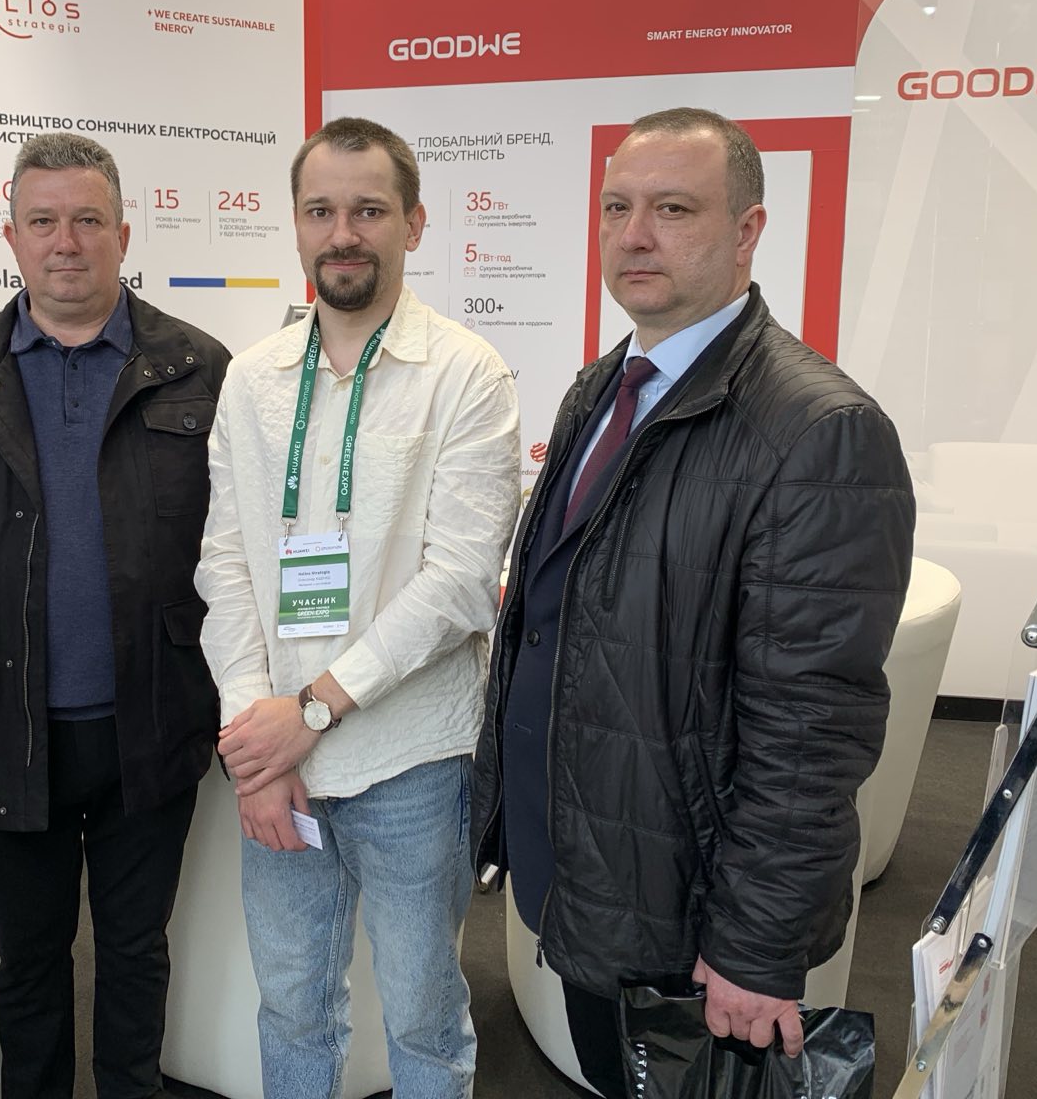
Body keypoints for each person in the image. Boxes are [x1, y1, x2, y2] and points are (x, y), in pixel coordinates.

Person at [470, 107, 915, 1096]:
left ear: (748, 231)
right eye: (616, 208)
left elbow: (813, 728)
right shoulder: (601, 388)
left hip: (689, 913)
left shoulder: (820, 432)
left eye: (673, 209)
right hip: (594, 874)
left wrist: (758, 943)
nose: (635, 235)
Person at [0, 132, 229, 1099]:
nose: (66, 242)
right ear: (12, 237)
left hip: (153, 723)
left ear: (123, 233)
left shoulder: (198, 369)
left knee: (137, 952)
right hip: (0, 729)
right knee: (27, 964)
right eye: (43, 222)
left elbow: (245, 559)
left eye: (86, 220)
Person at [194, 116, 521, 1097]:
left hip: (409, 759)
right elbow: (224, 567)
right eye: (321, 211)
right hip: (278, 761)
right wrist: (256, 742)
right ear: (296, 225)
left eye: (369, 211)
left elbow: (459, 580)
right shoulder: (251, 380)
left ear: (413, 224)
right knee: (292, 1008)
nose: (343, 233)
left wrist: (313, 710)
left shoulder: (465, 374)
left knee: (423, 1018)